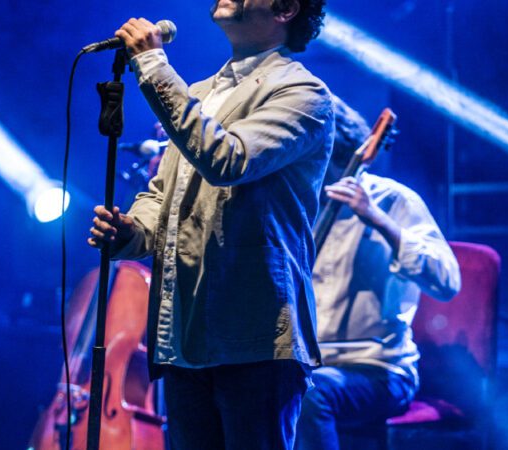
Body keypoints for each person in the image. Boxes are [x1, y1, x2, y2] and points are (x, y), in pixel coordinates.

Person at [87, 1, 333, 448]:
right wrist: (131, 231)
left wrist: (153, 64)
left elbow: (227, 160)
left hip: (254, 337)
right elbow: (164, 195)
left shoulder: (303, 93)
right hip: (186, 335)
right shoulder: (199, 92)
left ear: (286, 9)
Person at [294, 97, 461, 450]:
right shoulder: (296, 202)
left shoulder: (394, 201)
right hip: (304, 365)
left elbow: (447, 282)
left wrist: (379, 220)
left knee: (309, 394)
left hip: (378, 370)